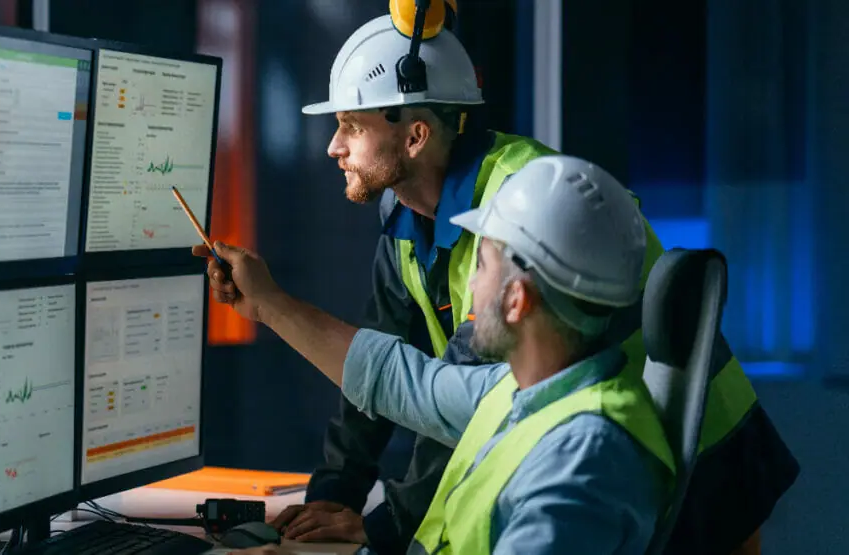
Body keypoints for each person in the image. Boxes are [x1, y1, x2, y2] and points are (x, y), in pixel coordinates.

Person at [273, 8, 799, 555]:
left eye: (352, 126)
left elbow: (460, 408)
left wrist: (385, 527)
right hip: (598, 441)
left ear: (415, 136)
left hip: (680, 444)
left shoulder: (522, 209)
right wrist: (335, 494)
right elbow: (392, 368)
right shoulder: (406, 217)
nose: (334, 146)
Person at [202, 155, 676, 554]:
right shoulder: (524, 392)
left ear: (518, 300)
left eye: (483, 265)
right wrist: (268, 305)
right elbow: (401, 381)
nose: (469, 284)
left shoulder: (582, 462)